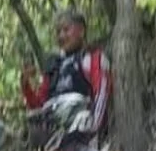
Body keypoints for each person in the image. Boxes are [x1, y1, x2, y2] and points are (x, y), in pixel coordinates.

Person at [21, 8, 111, 143]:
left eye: (66, 30)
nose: (61, 36)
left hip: (82, 132)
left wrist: (93, 129)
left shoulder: (92, 58)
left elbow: (101, 94)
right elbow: (39, 104)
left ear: (81, 31)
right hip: (53, 136)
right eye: (58, 32)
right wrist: (25, 85)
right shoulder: (54, 66)